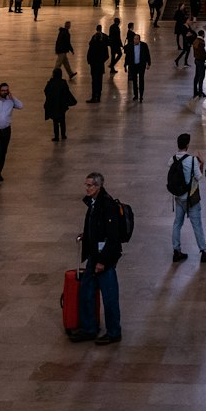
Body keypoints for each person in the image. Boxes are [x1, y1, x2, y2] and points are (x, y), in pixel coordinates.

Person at [68, 172, 124, 343]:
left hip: (104, 259)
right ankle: (89, 328)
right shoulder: (93, 203)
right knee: (86, 292)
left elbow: (113, 238)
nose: (87, 188)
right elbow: (95, 227)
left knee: (109, 297)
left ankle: (114, 332)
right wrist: (87, 235)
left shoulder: (107, 205)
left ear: (98, 186)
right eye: (86, 185)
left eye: (90, 185)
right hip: (94, 255)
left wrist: (102, 262)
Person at [169, 134, 206, 263]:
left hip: (178, 197)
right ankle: (204, 251)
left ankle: (176, 251)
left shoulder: (172, 159)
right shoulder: (191, 160)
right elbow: (199, 177)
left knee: (177, 224)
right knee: (197, 225)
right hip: (191, 198)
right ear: (187, 145)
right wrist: (201, 163)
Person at [44, 66, 76, 142]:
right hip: (61, 105)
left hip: (54, 105)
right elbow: (67, 93)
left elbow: (46, 91)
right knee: (62, 120)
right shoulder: (63, 83)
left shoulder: (51, 83)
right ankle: (63, 135)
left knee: (55, 122)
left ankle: (56, 136)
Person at [86, 25, 109, 102]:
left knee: (94, 81)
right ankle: (98, 96)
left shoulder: (92, 44)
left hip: (94, 66)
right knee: (99, 80)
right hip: (100, 65)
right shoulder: (103, 45)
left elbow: (89, 54)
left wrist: (90, 62)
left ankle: (94, 96)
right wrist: (102, 61)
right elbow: (107, 55)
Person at [126, 28, 151, 101]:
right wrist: (125, 65)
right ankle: (136, 95)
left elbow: (147, 54)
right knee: (134, 81)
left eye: (137, 39)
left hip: (141, 65)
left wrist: (148, 63)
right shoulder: (130, 46)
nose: (135, 40)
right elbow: (128, 56)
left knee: (141, 80)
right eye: (134, 39)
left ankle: (141, 95)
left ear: (139, 40)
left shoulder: (144, 45)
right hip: (133, 66)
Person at [192, 30, 206, 98]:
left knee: (196, 76)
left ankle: (195, 92)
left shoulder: (195, 40)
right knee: (201, 77)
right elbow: (202, 53)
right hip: (201, 61)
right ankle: (200, 92)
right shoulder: (201, 42)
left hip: (196, 60)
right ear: (203, 35)